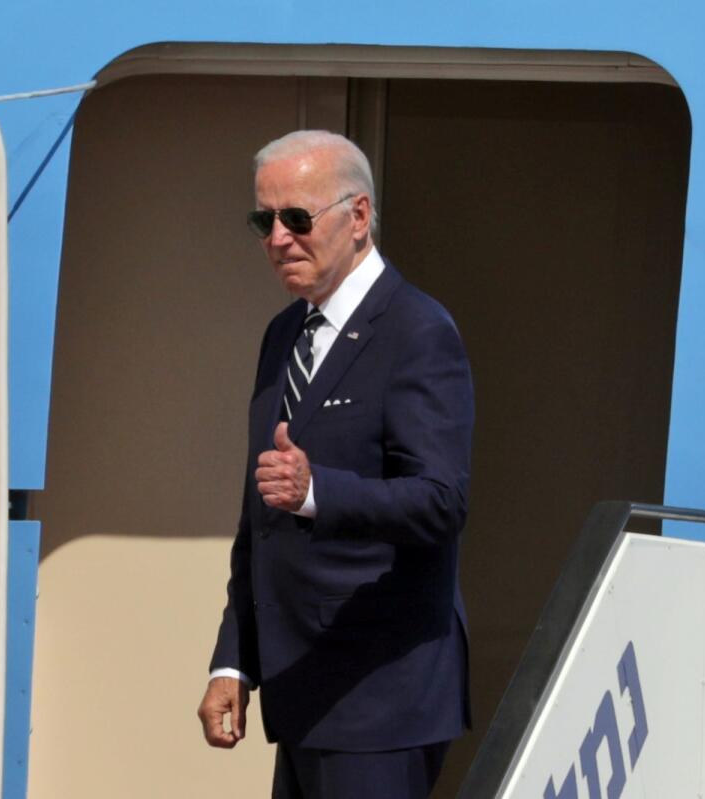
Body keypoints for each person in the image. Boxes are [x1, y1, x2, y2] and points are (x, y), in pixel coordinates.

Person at [197, 130, 474, 799]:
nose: (278, 238)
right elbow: (260, 517)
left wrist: (319, 490)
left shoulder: (417, 331)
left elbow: (440, 499)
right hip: (302, 692)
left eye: (297, 218)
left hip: (381, 695)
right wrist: (235, 659)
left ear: (359, 217)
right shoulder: (285, 333)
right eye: (264, 221)